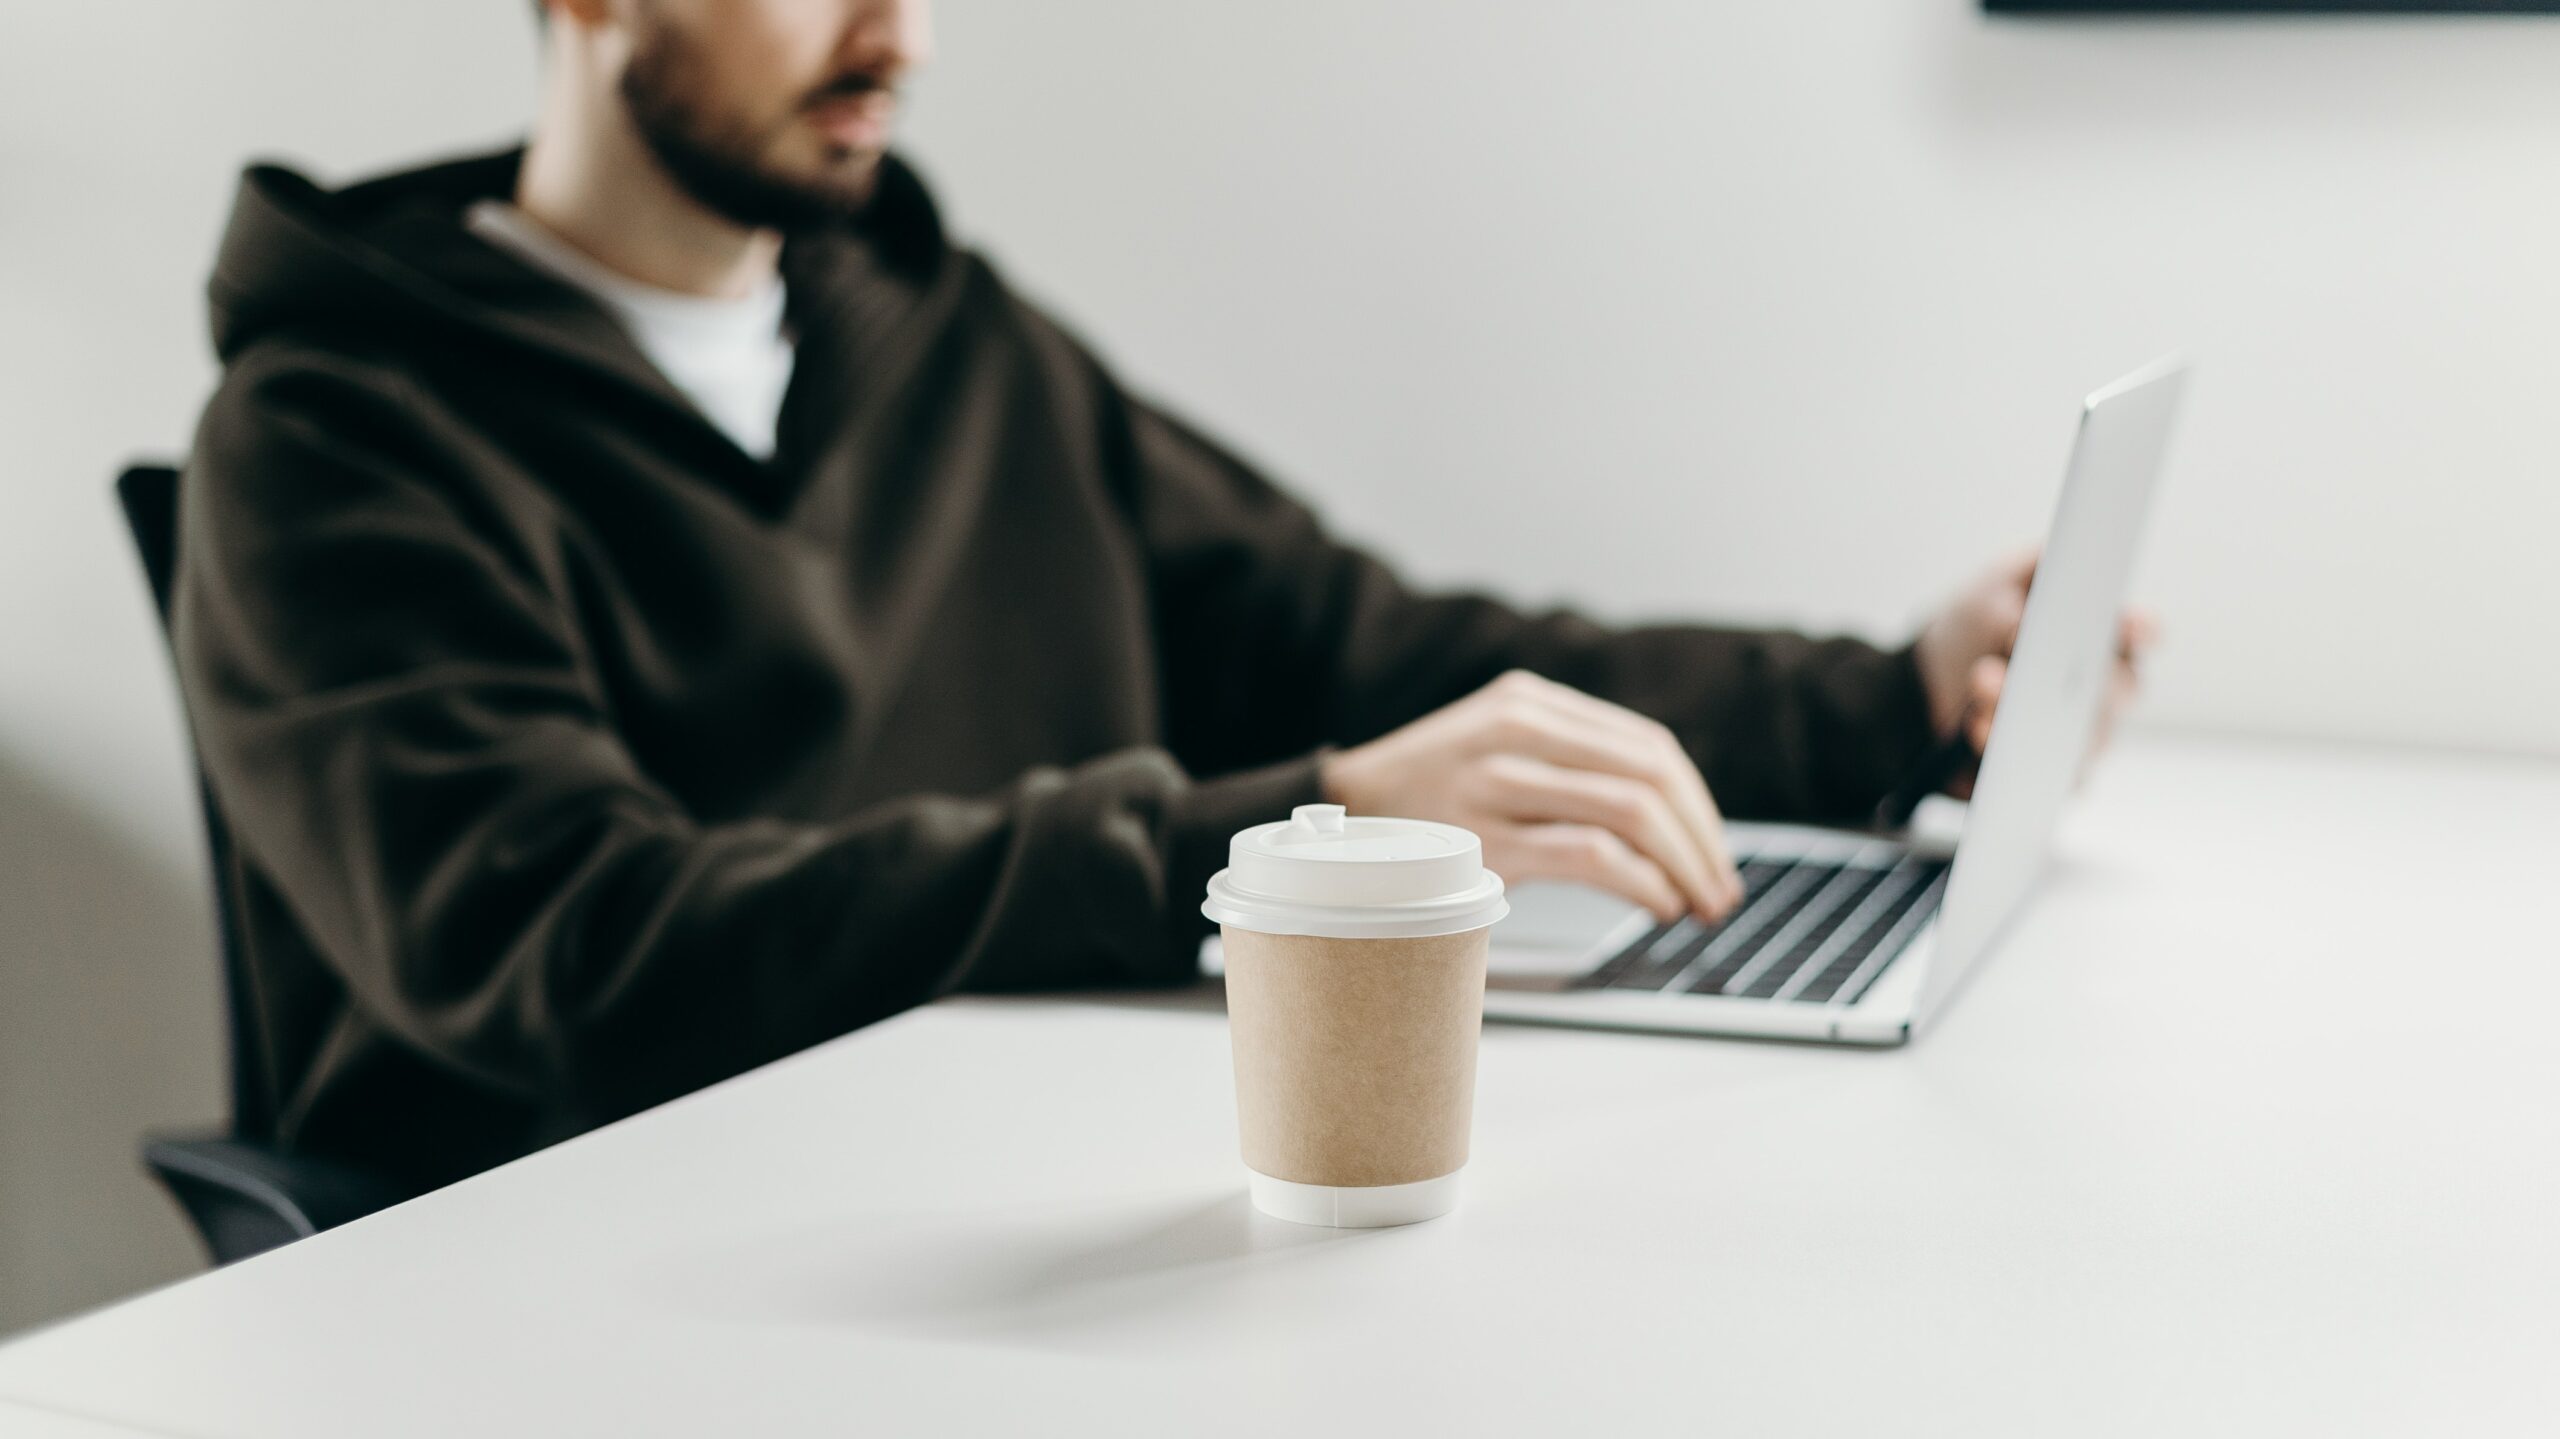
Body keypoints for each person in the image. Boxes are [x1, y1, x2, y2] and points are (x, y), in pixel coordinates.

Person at [175, 0, 2149, 1196]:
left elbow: (1357, 647)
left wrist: (1883, 693)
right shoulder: (334, 438)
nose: (905, 37)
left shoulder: (943, 341)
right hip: (572, 1286)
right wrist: (1270, 838)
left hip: (976, 1198)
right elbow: (577, 948)